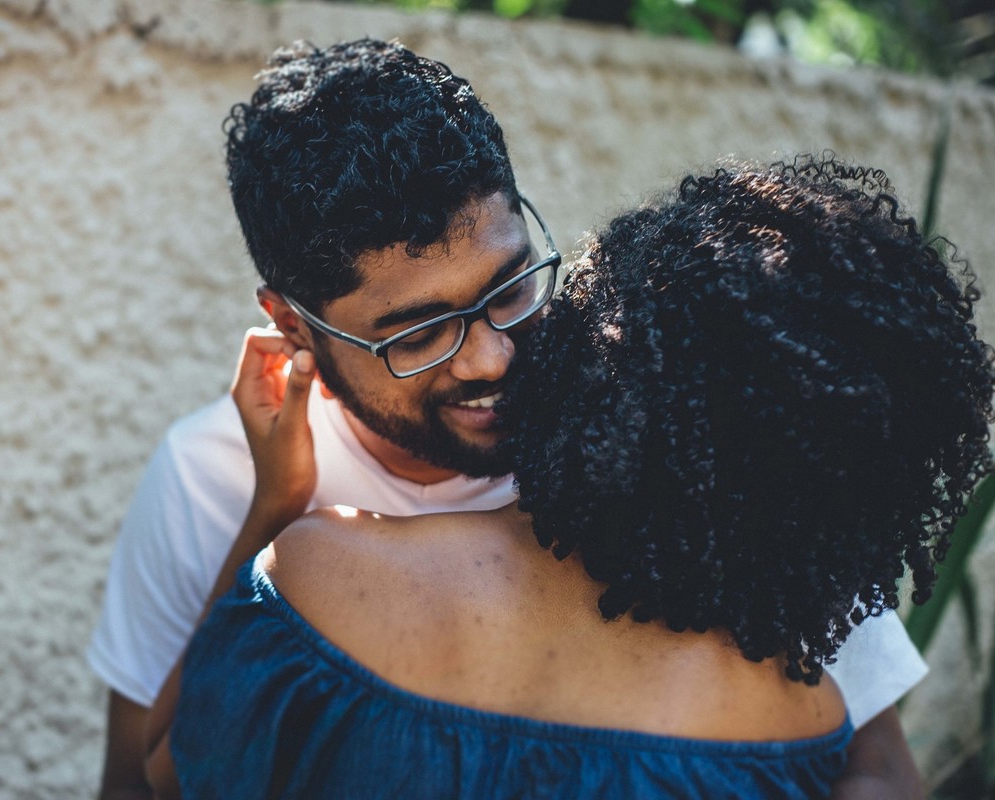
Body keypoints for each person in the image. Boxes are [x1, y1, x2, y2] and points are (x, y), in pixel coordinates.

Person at [89, 39, 929, 798]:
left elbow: (882, 759)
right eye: (418, 333)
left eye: (509, 289)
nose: (491, 358)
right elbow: (139, 786)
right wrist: (268, 514)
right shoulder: (210, 478)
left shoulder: (655, 415)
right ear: (294, 325)